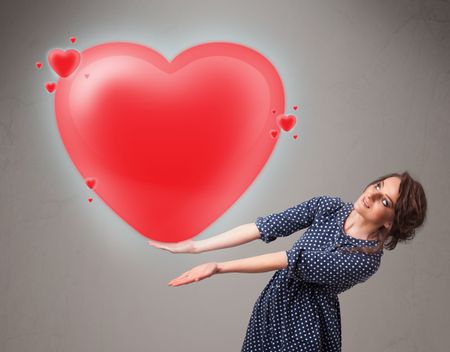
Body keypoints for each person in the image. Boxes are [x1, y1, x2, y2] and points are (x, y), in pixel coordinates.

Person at [147, 171, 427, 351]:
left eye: (385, 201)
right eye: (378, 185)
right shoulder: (328, 207)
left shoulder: (366, 259)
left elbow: (287, 260)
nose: (371, 194)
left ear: (391, 223)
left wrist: (219, 267)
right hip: (273, 305)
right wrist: (196, 246)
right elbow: (264, 227)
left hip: (306, 323)